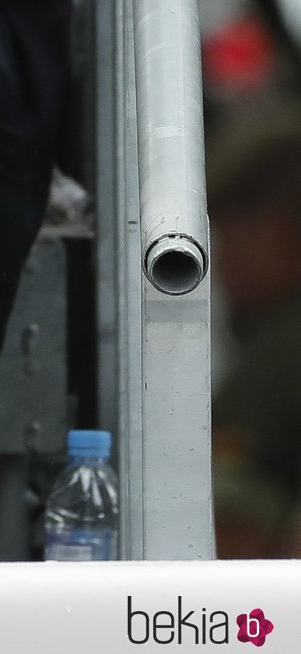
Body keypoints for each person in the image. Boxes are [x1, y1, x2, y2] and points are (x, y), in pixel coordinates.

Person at [209, 100, 301, 558]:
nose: (221, 268)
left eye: (228, 237)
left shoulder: (282, 350)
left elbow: (228, 530)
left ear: (275, 233)